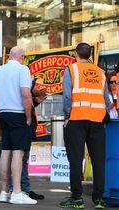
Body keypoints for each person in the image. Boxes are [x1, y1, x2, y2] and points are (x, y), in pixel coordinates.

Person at [60, 43, 110, 209]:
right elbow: (106, 101)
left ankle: (76, 198)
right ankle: (99, 199)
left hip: (76, 119)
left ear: (76, 54)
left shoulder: (71, 69)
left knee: (75, 159)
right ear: (89, 55)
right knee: (98, 160)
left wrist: (67, 115)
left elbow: (67, 96)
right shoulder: (101, 73)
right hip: (97, 121)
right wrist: (102, 118)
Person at [0, 46, 37, 205]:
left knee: (6, 151)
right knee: (18, 153)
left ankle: (4, 191)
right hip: (18, 113)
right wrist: (28, 116)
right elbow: (26, 94)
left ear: (9, 56)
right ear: (22, 57)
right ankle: (17, 192)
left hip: (3, 113)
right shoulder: (23, 70)